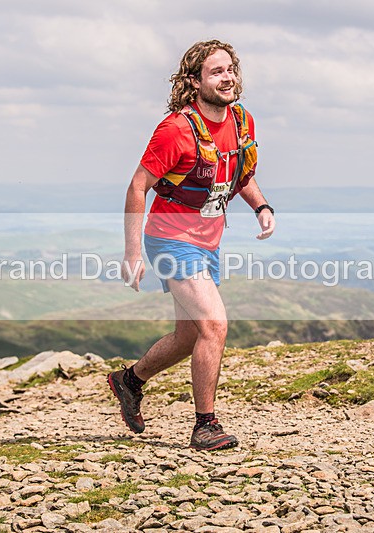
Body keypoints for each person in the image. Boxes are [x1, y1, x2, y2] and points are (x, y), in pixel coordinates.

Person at [108, 39, 275, 451]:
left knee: (189, 337)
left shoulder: (242, 121)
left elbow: (238, 172)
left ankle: (128, 381)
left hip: (209, 240)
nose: (227, 77)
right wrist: (132, 254)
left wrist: (261, 206)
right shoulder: (175, 129)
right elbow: (137, 186)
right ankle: (205, 426)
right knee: (215, 324)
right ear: (193, 81)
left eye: (230, 69)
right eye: (215, 71)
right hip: (169, 237)